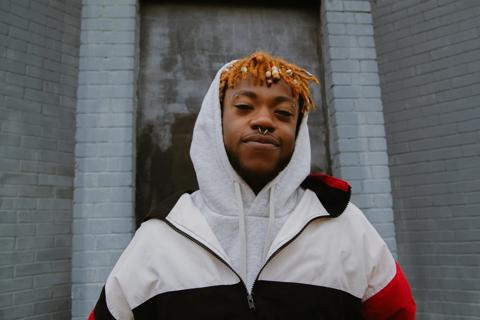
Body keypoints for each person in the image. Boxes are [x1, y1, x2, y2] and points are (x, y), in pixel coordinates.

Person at [88, 52, 416, 319]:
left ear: (299, 133)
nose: (263, 121)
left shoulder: (347, 227)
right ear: (214, 123)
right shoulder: (160, 235)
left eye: (284, 112)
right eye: (244, 107)